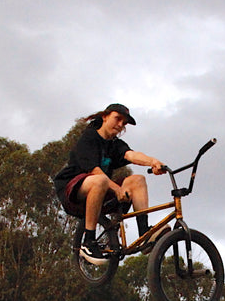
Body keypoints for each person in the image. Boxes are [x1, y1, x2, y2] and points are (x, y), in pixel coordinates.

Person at [54, 103, 167, 264]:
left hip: (98, 191)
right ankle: (88, 241)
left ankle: (144, 235)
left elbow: (131, 155)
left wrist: (154, 162)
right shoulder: (89, 137)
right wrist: (117, 189)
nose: (120, 125)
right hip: (72, 192)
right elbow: (94, 171)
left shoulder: (115, 144)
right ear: (105, 116)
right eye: (117, 119)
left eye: (124, 123)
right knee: (100, 180)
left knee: (138, 180)